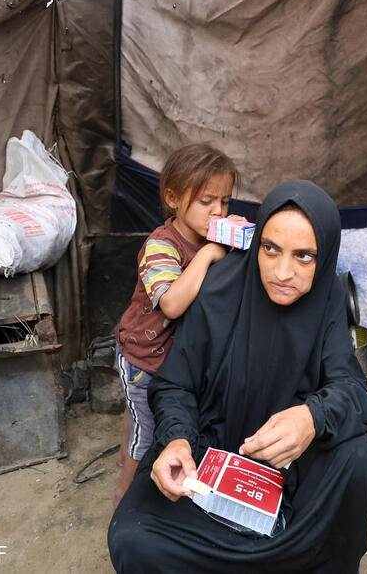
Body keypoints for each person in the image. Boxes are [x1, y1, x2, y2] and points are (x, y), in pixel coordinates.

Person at [107, 180, 367, 573]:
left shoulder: (328, 300)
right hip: (209, 454)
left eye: (304, 256)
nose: (282, 272)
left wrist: (311, 418)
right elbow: (174, 384)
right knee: (134, 539)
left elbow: (353, 390)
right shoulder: (219, 288)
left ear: (324, 259)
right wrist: (177, 440)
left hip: (292, 465)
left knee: (359, 460)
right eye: (270, 249)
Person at [112, 143, 242, 507]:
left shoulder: (212, 239)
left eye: (225, 201)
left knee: (138, 419)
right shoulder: (161, 246)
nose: (218, 211)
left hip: (174, 362)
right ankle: (126, 500)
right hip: (144, 360)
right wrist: (210, 254)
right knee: (146, 438)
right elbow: (170, 303)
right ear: (173, 199)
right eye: (206, 201)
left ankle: (124, 452)